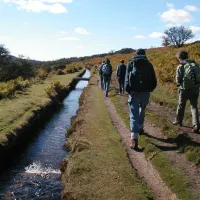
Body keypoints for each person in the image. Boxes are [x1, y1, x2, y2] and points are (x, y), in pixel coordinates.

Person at [125, 49, 157, 150]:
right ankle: (141, 127)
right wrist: (149, 89)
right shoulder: (149, 64)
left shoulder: (130, 63)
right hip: (145, 93)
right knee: (142, 110)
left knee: (133, 115)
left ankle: (134, 139)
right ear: (144, 54)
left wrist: (129, 90)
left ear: (136, 54)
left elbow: (126, 80)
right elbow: (154, 81)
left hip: (134, 93)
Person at [173, 50, 200, 133]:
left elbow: (178, 80)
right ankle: (196, 124)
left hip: (184, 89)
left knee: (181, 105)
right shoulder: (195, 64)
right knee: (194, 106)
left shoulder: (180, 66)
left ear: (179, 57)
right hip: (195, 89)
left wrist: (179, 84)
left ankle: (178, 120)